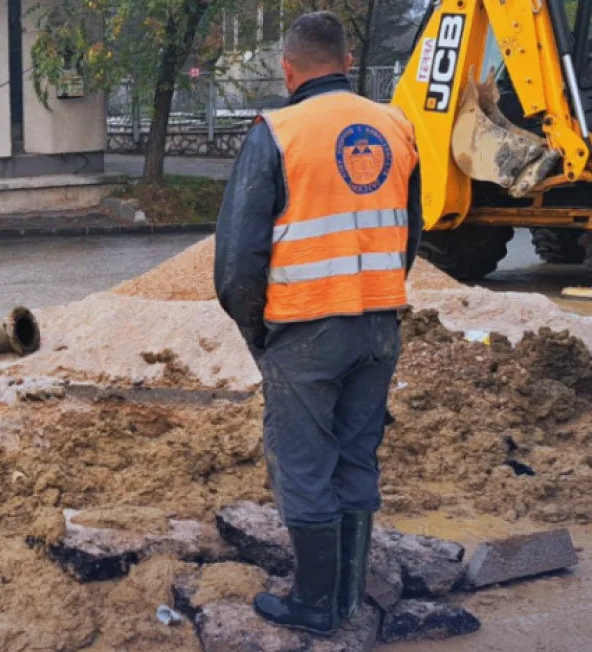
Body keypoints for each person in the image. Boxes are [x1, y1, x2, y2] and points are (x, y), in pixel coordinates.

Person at [213, 12, 422, 637]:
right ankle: (349, 597)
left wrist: (258, 331)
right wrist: (378, 295)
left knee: (304, 467)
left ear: (287, 68)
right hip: (379, 322)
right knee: (356, 457)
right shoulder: (397, 126)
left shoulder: (276, 131)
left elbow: (238, 262)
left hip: (305, 329)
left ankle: (312, 605)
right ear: (349, 61)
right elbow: (409, 234)